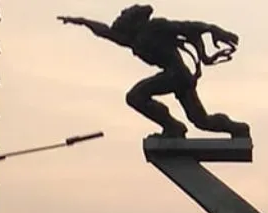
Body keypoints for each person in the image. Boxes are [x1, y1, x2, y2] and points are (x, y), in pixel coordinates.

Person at [59, 5, 250, 139]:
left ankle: (173, 127)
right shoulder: (134, 39)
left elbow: (187, 26)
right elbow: (106, 32)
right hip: (177, 76)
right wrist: (83, 21)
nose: (119, 18)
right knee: (201, 120)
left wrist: (214, 29)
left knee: (136, 96)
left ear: (134, 19)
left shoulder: (154, 26)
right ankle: (238, 129)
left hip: (176, 75)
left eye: (123, 15)